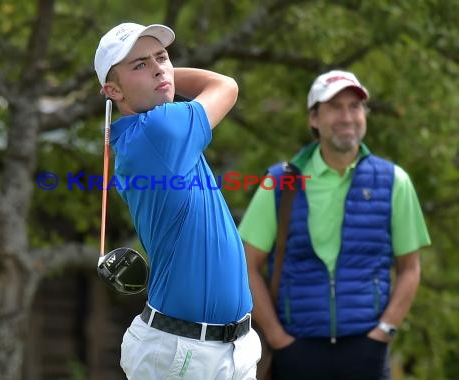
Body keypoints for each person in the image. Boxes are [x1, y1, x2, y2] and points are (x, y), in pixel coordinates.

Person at [93, 22, 261, 379]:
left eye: (162, 57)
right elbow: (224, 86)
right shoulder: (161, 130)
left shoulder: (147, 135)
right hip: (183, 355)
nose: (157, 67)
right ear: (112, 91)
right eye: (140, 64)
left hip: (230, 349)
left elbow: (170, 81)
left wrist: (152, 76)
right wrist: (166, 75)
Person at [239, 69, 431, 380]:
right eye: (335, 107)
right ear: (314, 119)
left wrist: (384, 330)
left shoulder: (395, 181)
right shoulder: (279, 181)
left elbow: (410, 268)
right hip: (296, 351)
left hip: (367, 351)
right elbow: (246, 266)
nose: (347, 116)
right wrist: (277, 338)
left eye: (355, 107)